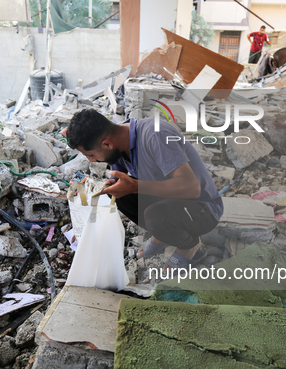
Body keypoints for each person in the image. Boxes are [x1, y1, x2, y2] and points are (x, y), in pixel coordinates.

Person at [65, 109, 224, 270]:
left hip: (203, 208)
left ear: (106, 144)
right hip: (171, 201)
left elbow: (192, 188)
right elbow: (117, 180)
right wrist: (86, 221)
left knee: (155, 216)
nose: (92, 160)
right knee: (119, 194)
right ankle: (161, 236)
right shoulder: (119, 141)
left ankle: (189, 246)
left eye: (91, 154)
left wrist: (135, 186)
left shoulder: (155, 135)